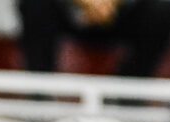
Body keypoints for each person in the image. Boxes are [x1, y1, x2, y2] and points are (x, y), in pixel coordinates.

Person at [18, 0, 170, 77]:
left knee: (162, 8)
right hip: (70, 11)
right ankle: (39, 93)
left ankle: (130, 95)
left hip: (124, 13)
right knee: (34, 4)